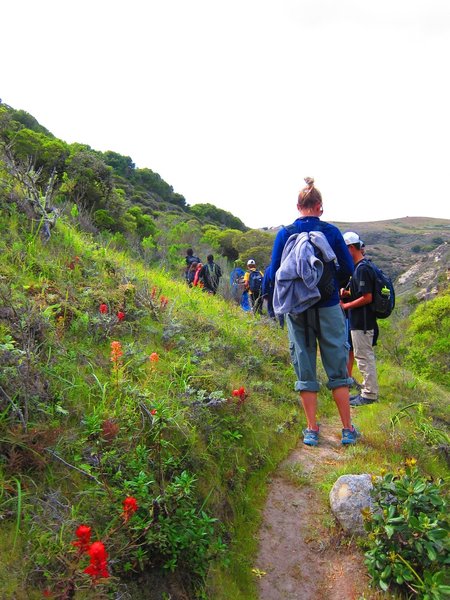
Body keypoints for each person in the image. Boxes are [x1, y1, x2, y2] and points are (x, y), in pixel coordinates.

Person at [270, 177, 358, 446]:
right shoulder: (331, 233)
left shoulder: (285, 233)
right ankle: (347, 429)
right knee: (337, 368)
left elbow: (274, 273)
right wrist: (333, 288)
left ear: (298, 206)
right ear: (319, 206)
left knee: (305, 367)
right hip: (329, 306)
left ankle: (311, 429)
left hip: (297, 311)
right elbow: (348, 270)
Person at [340, 231, 379, 406]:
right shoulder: (360, 267)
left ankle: (369, 395)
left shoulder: (362, 269)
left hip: (362, 322)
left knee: (364, 357)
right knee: (362, 356)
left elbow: (367, 297)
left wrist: (346, 305)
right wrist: (348, 293)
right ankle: (366, 390)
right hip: (361, 320)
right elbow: (360, 293)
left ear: (350, 248)